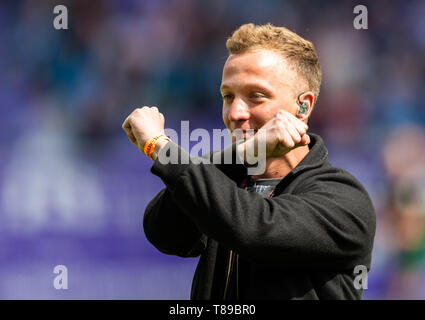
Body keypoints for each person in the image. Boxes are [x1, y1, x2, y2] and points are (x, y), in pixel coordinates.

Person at [122, 23, 376, 299]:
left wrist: (160, 147)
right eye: (228, 96)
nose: (235, 112)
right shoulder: (225, 182)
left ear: (303, 106)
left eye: (256, 96)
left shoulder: (344, 198)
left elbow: (255, 228)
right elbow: (163, 231)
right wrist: (243, 155)